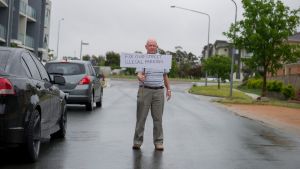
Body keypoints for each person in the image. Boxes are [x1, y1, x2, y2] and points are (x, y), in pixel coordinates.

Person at [132, 38, 171, 151]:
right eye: (150, 45)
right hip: (145, 90)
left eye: (154, 45)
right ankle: (137, 141)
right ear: (146, 47)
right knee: (141, 118)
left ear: (157, 47)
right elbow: (139, 73)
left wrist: (169, 89)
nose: (152, 47)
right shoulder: (142, 59)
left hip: (159, 91)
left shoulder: (162, 60)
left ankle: (159, 142)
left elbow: (165, 76)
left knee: (158, 119)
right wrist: (140, 76)